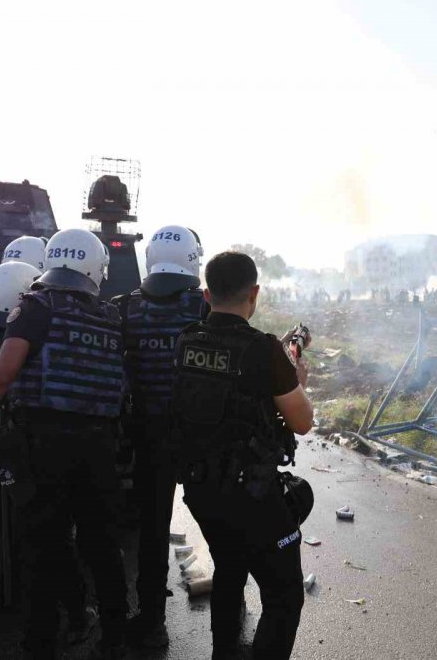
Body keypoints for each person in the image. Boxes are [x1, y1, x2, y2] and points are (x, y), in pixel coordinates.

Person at [0, 229, 128, 659]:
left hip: (43, 447)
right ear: (95, 269)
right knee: (102, 548)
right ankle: (114, 639)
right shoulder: (111, 317)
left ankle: (40, 647)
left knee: (44, 552)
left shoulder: (36, 306)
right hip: (98, 449)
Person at [173, 251, 313, 660]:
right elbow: (301, 421)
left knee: (230, 570)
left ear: (206, 293)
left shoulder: (186, 340)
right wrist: (298, 380)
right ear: (254, 293)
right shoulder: (264, 350)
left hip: (200, 490)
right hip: (250, 496)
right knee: (284, 596)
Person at [112, 224, 209, 649]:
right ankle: (231, 604)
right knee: (219, 519)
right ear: (193, 259)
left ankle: (151, 617)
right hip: (200, 436)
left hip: (146, 436)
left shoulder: (123, 307)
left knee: (153, 530)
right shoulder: (204, 308)